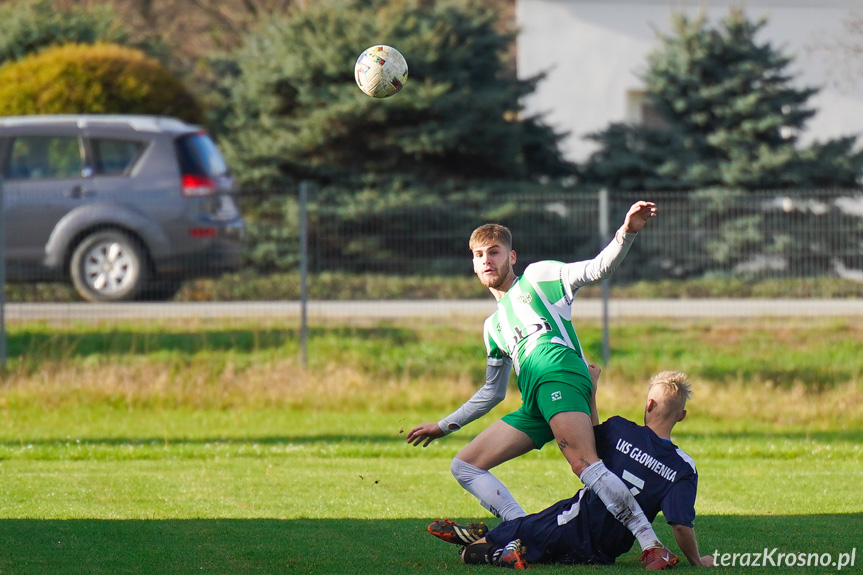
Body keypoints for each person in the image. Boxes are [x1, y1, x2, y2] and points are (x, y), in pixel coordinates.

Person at [407, 201, 677, 568]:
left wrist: (626, 232)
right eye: (478, 255)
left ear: (512, 256)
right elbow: (492, 391)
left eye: (494, 252)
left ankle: (651, 545)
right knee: (465, 466)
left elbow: (598, 269)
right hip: (533, 399)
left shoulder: (538, 278)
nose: (486, 259)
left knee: (584, 464)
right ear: (472, 263)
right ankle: (516, 533)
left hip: (558, 373)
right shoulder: (493, 326)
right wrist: (443, 425)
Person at [430, 370, 714, 570]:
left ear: (649, 404)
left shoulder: (620, 431)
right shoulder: (682, 467)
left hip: (569, 524)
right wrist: (697, 561)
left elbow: (585, 437)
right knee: (524, 539)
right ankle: (497, 536)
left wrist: (590, 390)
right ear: (682, 416)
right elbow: (680, 524)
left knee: (470, 554)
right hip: (604, 552)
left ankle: (496, 547)